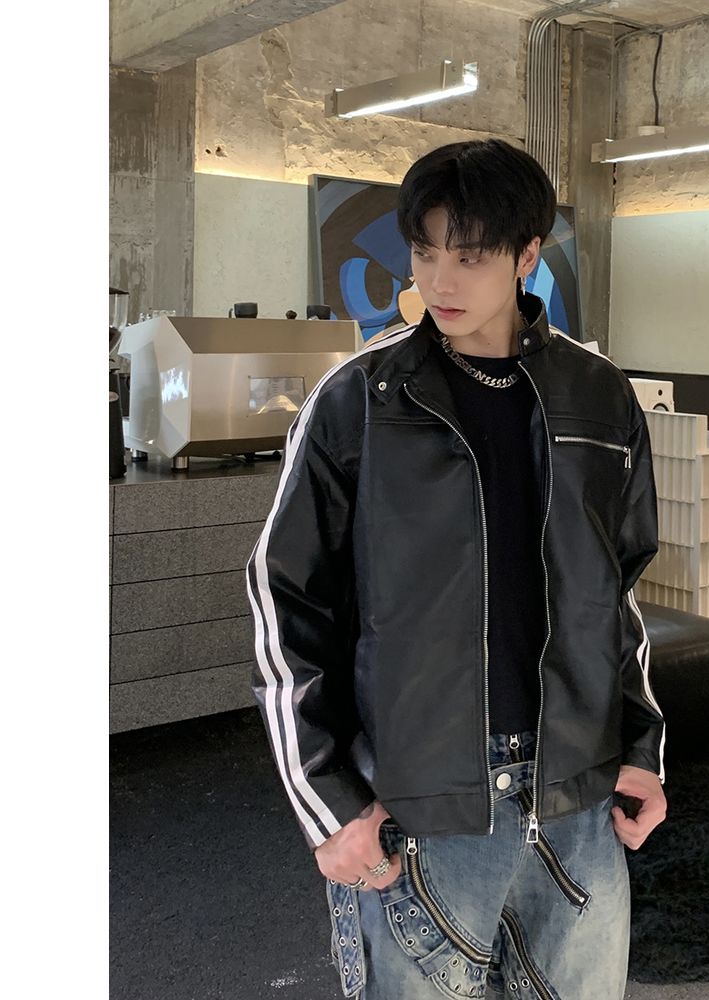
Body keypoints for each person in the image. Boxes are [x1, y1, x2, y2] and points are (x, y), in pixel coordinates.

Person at [246, 138, 667, 1000]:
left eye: (470, 256)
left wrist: (640, 746)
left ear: (526, 256)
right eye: (425, 251)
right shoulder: (360, 400)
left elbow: (617, 591)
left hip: (576, 794)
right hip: (419, 801)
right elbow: (284, 600)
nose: (440, 280)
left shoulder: (599, 396)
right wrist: (328, 803)